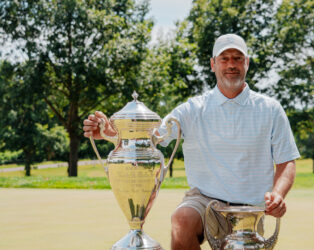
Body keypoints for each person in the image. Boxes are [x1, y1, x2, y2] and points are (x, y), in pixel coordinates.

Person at [83, 34, 300, 250]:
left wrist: (277, 196)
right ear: (213, 64)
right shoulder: (192, 109)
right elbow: (151, 137)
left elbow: (286, 161)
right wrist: (112, 133)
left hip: (249, 210)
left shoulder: (270, 109)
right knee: (181, 221)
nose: (231, 64)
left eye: (237, 58)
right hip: (205, 201)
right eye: (224, 59)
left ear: (247, 63)